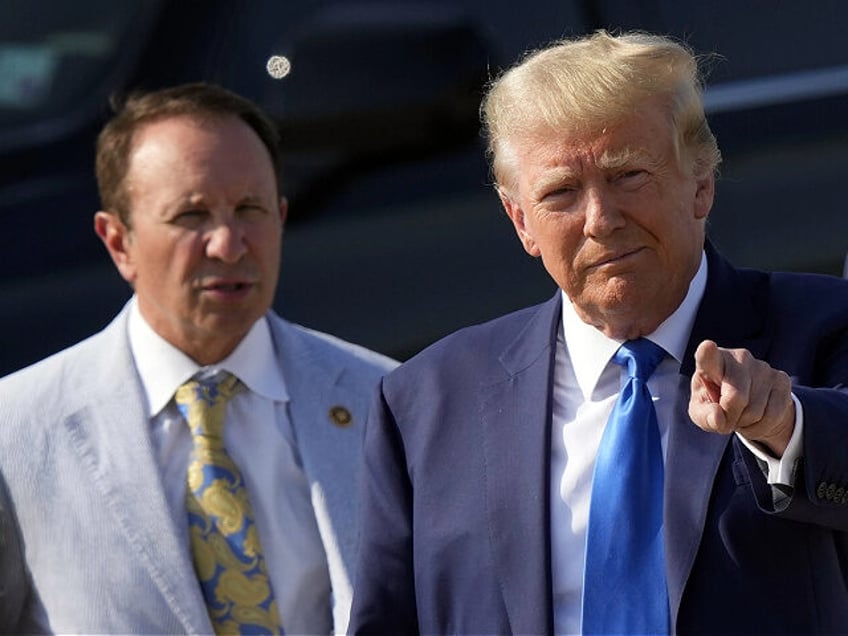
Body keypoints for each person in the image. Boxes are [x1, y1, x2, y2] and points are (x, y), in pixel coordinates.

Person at [348, 31, 848, 635]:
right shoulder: (426, 402)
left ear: (702, 182)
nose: (601, 220)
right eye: (560, 192)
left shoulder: (824, 329)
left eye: (629, 175)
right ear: (520, 221)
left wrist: (784, 426)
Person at [0, 82, 397, 634]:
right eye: (192, 215)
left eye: (250, 209)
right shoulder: (17, 431)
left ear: (281, 217)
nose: (229, 244)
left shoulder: (386, 400)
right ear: (118, 242)